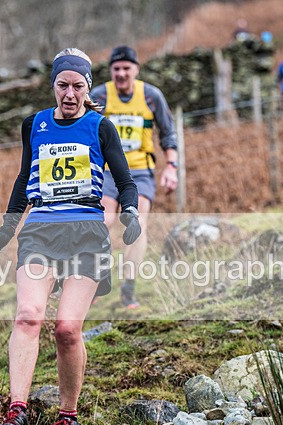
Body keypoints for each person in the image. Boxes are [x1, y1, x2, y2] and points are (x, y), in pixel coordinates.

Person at [0, 48, 140, 425]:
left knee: (67, 329)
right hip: (41, 232)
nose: (70, 94)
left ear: (87, 89)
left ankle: (67, 415)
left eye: (78, 87)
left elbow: (126, 181)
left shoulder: (101, 127)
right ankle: (17, 410)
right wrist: (5, 231)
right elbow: (23, 182)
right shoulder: (33, 125)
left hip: (86, 233)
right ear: (53, 85)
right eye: (63, 85)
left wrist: (130, 213)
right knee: (28, 315)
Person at [90, 45, 178, 309]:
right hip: (106, 171)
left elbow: (168, 133)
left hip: (140, 171)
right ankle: (97, 280)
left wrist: (171, 166)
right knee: (102, 221)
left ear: (136, 70)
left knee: (136, 221)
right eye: (116, 69)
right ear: (111, 71)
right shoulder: (98, 96)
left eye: (126, 68)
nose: (121, 74)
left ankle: (129, 289)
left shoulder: (152, 96)